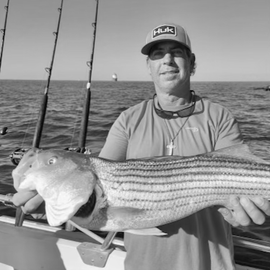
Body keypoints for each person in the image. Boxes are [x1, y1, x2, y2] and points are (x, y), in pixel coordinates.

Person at [13, 23, 270, 270]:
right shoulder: (128, 119)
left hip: (212, 263)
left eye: (176, 53)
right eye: (157, 54)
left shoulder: (218, 116)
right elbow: (97, 175)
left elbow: (240, 183)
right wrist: (54, 196)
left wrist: (243, 215)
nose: (167, 60)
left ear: (192, 63)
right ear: (149, 66)